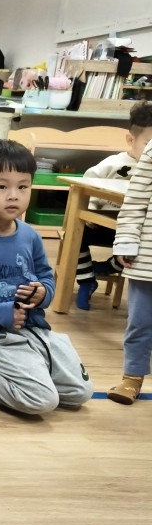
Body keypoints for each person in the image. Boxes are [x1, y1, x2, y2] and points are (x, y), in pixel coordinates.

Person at [0, 139, 93, 414]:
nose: (14, 196)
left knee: (80, 393)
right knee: (42, 401)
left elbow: (45, 276)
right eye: (2, 187)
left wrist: (43, 292)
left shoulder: (29, 235)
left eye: (23, 187)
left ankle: (31, 367)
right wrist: (0, 313)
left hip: (36, 331)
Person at [75, 102, 152, 309]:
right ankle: (87, 280)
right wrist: (91, 207)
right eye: (148, 144)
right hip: (102, 224)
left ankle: (111, 266)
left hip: (134, 232)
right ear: (131, 139)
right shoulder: (113, 163)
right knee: (75, 234)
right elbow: (87, 183)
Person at [107, 120, 152, 405]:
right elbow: (135, 201)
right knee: (141, 322)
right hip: (148, 259)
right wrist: (126, 242)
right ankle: (132, 377)